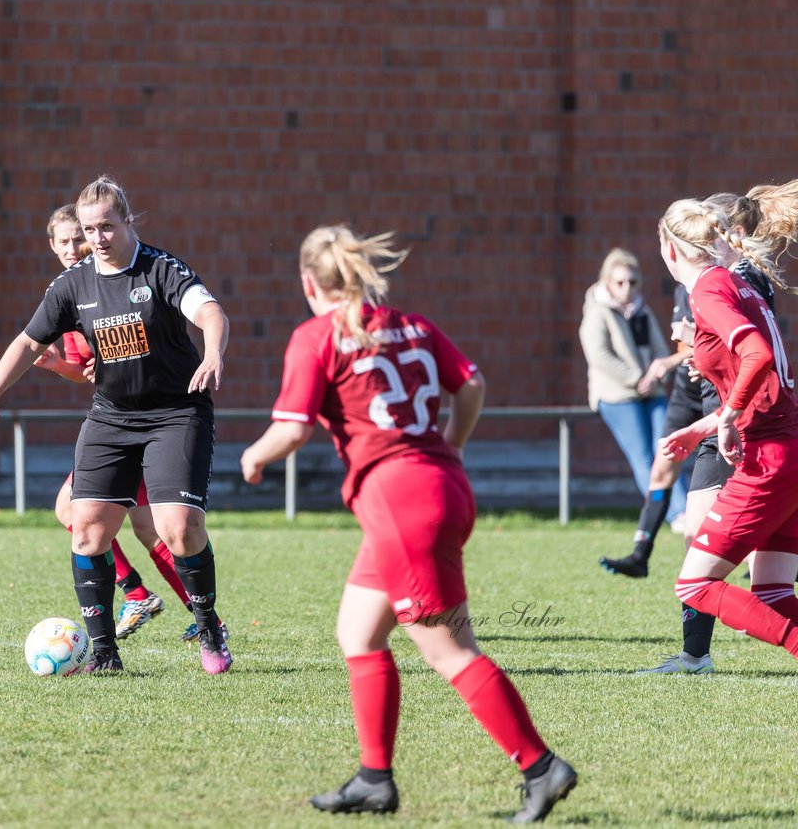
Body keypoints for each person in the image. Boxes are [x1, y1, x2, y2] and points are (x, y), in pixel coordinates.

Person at [239, 225, 576, 822]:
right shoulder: (413, 324)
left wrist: (253, 456)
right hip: (439, 485)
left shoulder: (316, 336)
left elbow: (291, 429)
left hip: (400, 504)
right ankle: (374, 779)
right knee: (359, 633)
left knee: (450, 651)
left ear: (308, 283)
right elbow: (470, 384)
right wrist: (452, 442)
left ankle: (541, 767)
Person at [0, 176, 232, 675]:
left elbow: (210, 311)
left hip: (176, 415)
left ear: (127, 222)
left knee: (178, 530)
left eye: (107, 227)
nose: (97, 238)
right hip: (111, 418)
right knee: (85, 526)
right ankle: (106, 656)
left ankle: (209, 624)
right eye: (89, 229)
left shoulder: (160, 269)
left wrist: (213, 349)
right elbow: (28, 343)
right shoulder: (72, 284)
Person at [33, 204, 207, 642]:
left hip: (152, 420)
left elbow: (133, 345)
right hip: (117, 424)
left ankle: (151, 598)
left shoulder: (123, 279)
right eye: (67, 240)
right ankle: (166, 603)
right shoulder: (70, 293)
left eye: (83, 235)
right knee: (138, 525)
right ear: (52, 247)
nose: (77, 246)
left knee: (147, 525)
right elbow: (86, 368)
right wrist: (59, 366)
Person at [634, 185, 790, 674]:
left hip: (769, 457)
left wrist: (723, 417)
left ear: (669, 247)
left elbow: (757, 358)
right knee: (772, 589)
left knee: (694, 585)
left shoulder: (708, 287)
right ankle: (694, 656)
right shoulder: (737, 281)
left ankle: (694, 657)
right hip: (786, 444)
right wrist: (704, 425)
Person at [579, 248, 687, 524]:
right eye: (619, 282)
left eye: (632, 282)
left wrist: (656, 376)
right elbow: (600, 356)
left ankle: (685, 512)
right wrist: (635, 379)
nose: (627, 288)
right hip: (618, 396)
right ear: (607, 282)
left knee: (669, 450)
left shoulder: (642, 311)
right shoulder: (597, 312)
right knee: (643, 458)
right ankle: (675, 515)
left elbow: (660, 350)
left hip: (653, 391)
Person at [598, 285, 694, 578]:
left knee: (739, 479)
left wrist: (667, 362)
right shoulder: (681, 288)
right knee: (659, 471)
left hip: (718, 392)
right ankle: (640, 555)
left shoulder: (718, 281)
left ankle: (764, 561)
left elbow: (722, 343)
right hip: (685, 392)